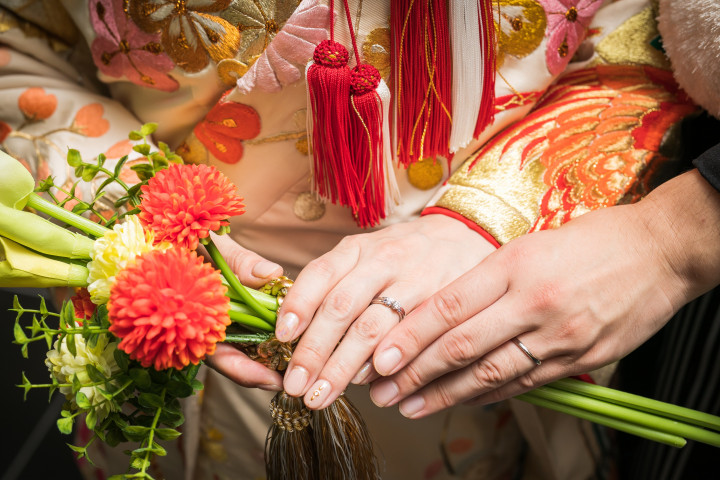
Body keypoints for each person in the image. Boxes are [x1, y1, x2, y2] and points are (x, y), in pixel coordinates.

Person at [0, 0, 714, 479]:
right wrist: (148, 214)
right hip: (206, 294)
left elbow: (640, 41)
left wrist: (489, 215)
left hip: (478, 289)